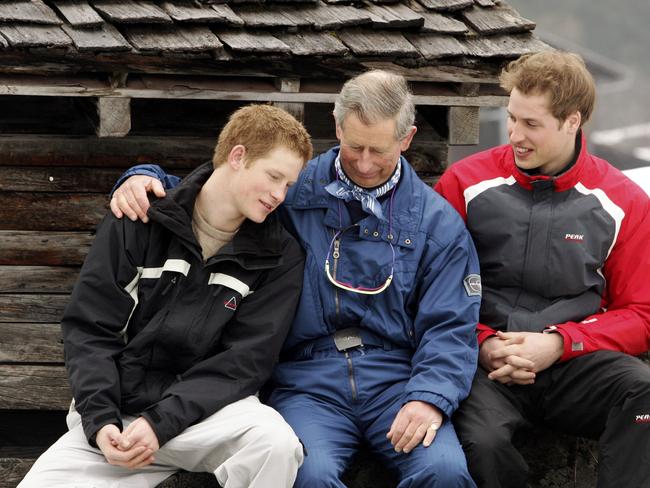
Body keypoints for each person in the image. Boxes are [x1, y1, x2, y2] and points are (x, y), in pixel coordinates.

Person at [109, 71, 482, 487]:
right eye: (354, 145)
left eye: (378, 150)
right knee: (308, 473)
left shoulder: (438, 224)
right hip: (305, 382)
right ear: (337, 126)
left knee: (444, 471)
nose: (363, 163)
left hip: (398, 379)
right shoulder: (292, 189)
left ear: (407, 138)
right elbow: (218, 192)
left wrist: (429, 398)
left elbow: (451, 324)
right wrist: (146, 176)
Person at [19, 104, 313, 488]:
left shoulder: (279, 254)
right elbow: (90, 330)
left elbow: (245, 361)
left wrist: (164, 421)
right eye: (274, 177)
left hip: (206, 418)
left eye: (288, 185)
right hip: (117, 415)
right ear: (238, 156)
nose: (279, 195)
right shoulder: (140, 218)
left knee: (274, 444)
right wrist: (100, 421)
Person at [434, 51, 650, 488]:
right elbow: (430, 288)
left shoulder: (624, 201)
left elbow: (641, 312)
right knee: (484, 445)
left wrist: (560, 343)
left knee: (644, 392)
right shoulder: (463, 183)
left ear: (572, 122)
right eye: (512, 118)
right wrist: (485, 344)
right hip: (482, 365)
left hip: (573, 363)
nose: (515, 134)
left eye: (531, 124)